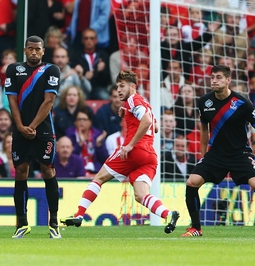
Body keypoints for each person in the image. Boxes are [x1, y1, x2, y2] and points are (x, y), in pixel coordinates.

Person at [62, 70, 179, 234]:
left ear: (133, 87)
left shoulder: (132, 100)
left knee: (99, 178)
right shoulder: (144, 103)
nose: (118, 90)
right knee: (140, 195)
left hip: (135, 151)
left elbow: (146, 122)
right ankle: (168, 214)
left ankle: (79, 215)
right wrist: (129, 114)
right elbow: (156, 127)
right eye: (117, 87)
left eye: (122, 86)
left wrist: (130, 145)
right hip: (150, 156)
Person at [182, 65, 255, 238]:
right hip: (216, 154)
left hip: (240, 153)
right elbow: (204, 130)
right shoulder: (204, 102)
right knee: (192, 182)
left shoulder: (243, 103)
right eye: (212, 77)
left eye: (219, 77)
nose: (214, 80)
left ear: (228, 80)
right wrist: (202, 156)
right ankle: (196, 228)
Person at [4, 36, 61, 238]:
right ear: (25, 50)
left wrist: (32, 126)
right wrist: (20, 126)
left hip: (43, 130)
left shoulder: (51, 70)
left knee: (48, 170)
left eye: (37, 49)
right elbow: (10, 100)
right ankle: (22, 223)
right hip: (21, 129)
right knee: (21, 171)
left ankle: (53, 222)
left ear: (43, 51)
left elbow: (49, 101)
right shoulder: (13, 70)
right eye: (30, 49)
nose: (34, 52)